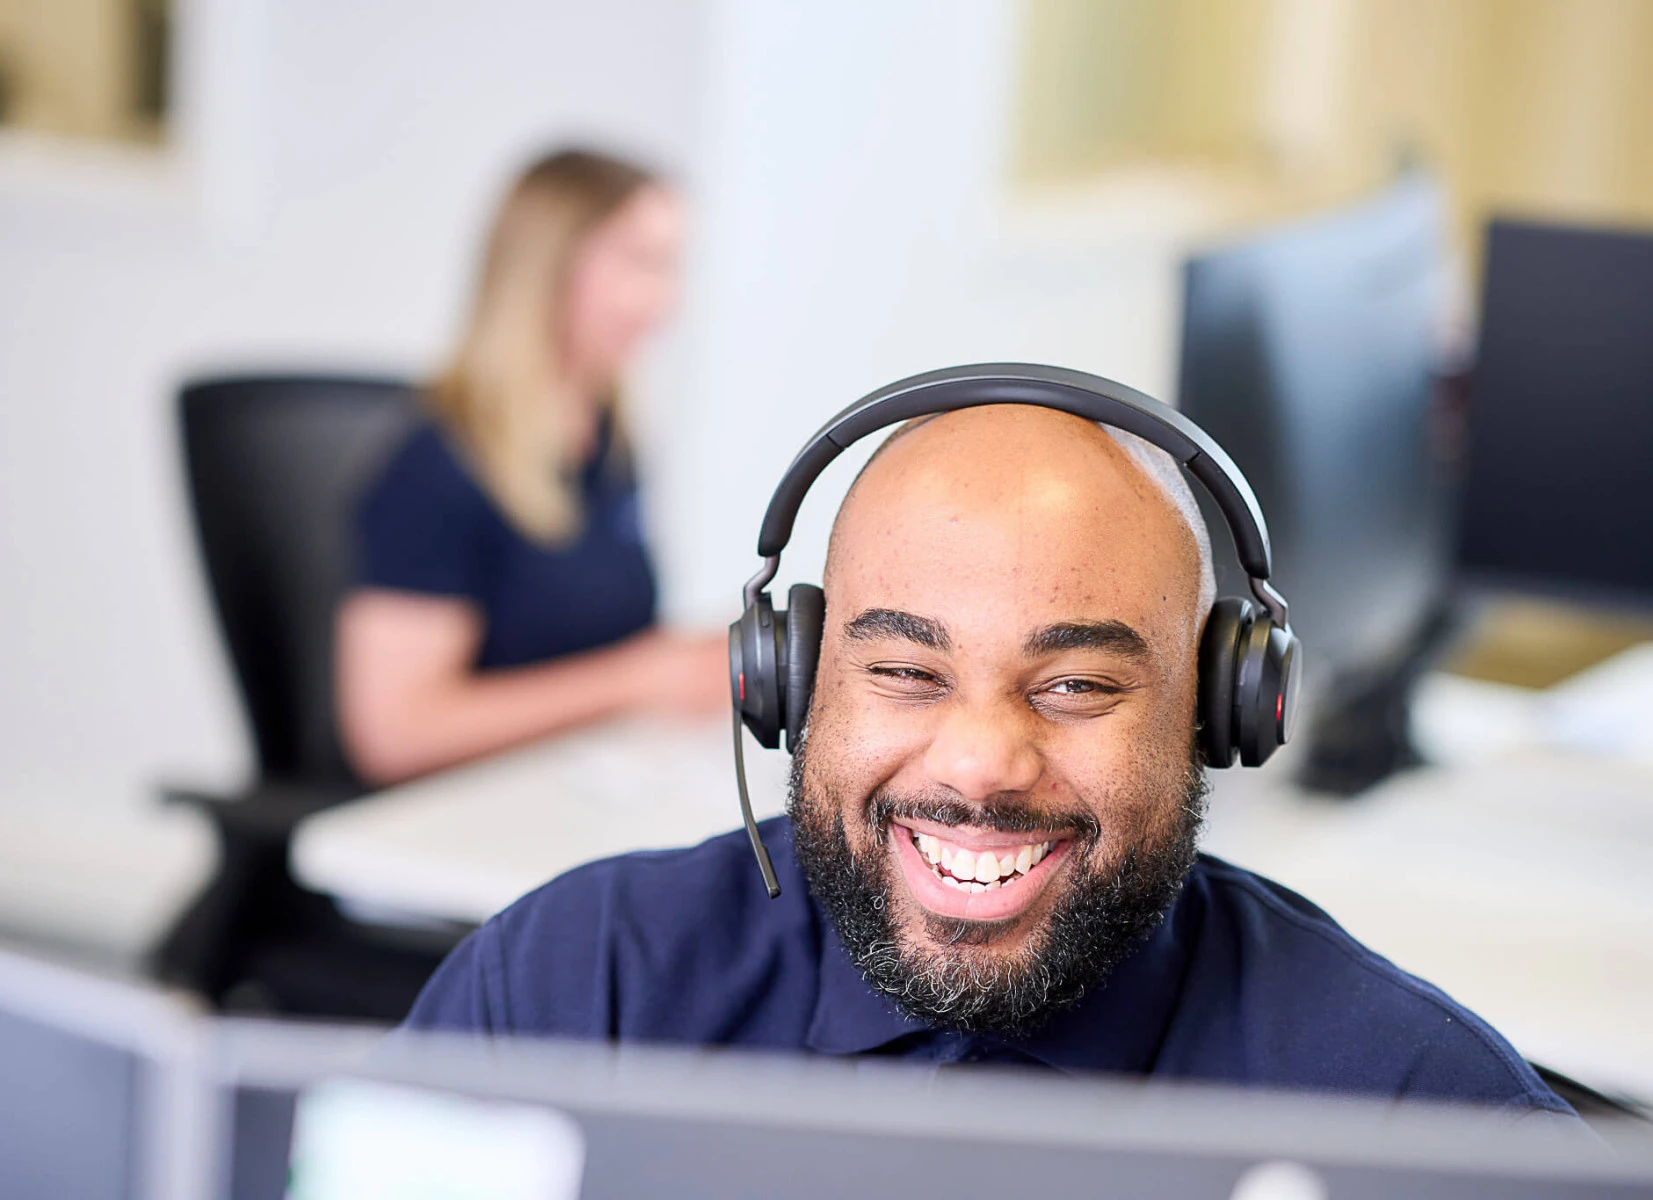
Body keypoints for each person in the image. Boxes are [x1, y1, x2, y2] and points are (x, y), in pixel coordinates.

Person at [403, 399, 1578, 1124]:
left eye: (1075, 686)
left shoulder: (1411, 1111)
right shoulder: (576, 992)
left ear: (1219, 714)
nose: (978, 766)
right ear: (791, 685)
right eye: (906, 672)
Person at [337, 149, 724, 785]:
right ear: (550, 268)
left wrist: (680, 667)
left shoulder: (605, 444)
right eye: (641, 263)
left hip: (559, 792)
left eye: (671, 266)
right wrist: (633, 680)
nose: (666, 302)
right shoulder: (433, 468)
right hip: (440, 828)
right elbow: (394, 734)